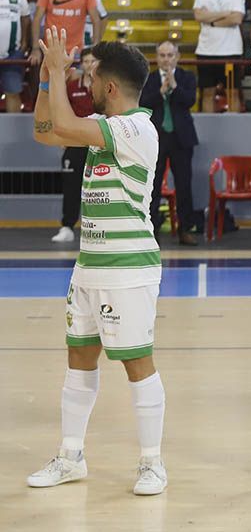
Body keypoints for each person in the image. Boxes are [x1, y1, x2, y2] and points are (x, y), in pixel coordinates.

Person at [28, 32, 167, 497]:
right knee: (79, 361)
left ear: (110, 86)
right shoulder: (99, 125)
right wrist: (52, 82)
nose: (85, 78)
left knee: (136, 363)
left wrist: (54, 70)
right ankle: (71, 456)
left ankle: (152, 464)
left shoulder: (134, 128)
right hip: (89, 264)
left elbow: (62, 127)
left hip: (128, 267)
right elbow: (45, 132)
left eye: (89, 73)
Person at [138, 39, 199, 247]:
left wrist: (174, 87)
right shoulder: (148, 79)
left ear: (177, 57)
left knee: (184, 185)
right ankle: (151, 230)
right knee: (152, 187)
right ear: (156, 57)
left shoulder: (187, 77)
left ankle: (186, 229)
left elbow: (190, 100)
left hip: (181, 138)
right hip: (155, 139)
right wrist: (161, 92)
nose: (166, 59)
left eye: (170, 55)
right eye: (162, 55)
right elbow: (142, 103)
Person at [50, 46, 96, 242]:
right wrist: (61, 136)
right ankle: (67, 226)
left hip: (97, 143)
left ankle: (96, 229)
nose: (89, 65)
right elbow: (61, 111)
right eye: (85, 61)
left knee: (97, 188)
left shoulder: (104, 87)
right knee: (71, 186)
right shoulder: (72, 87)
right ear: (81, 64)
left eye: (93, 61)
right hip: (75, 143)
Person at [191, 0, 245, 112]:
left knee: (233, 92)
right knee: (207, 92)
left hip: (231, 51)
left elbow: (237, 19)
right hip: (206, 50)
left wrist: (211, 20)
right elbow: (198, 16)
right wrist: (225, 13)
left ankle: (234, 129)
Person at [32, 0, 103, 68]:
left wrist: (96, 49)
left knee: (74, 84)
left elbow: (96, 20)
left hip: (76, 51)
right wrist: (35, 48)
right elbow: (37, 19)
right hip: (51, 51)